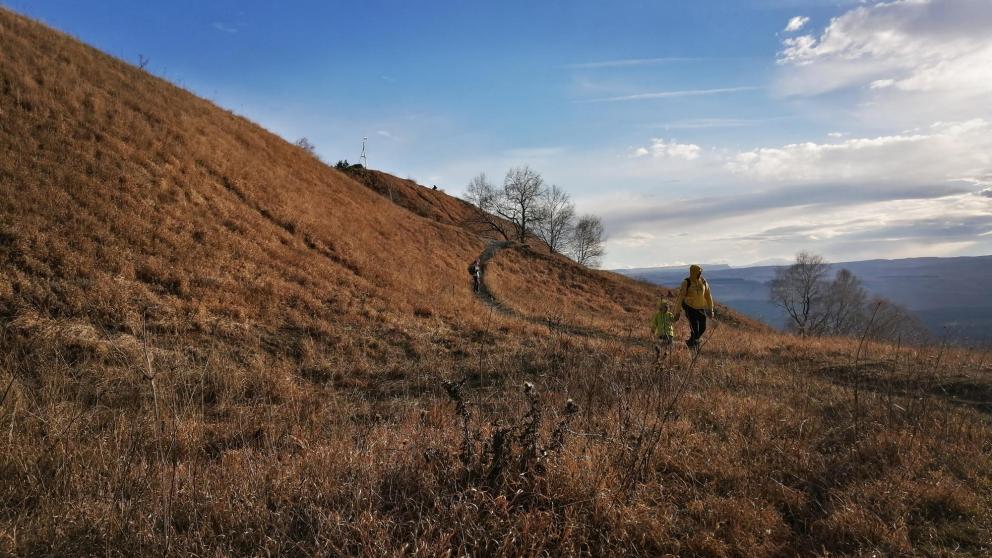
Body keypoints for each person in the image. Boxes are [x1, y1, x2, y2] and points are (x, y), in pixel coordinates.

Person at [673, 264, 714, 349]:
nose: (700, 273)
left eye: (701, 272)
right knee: (695, 327)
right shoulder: (686, 282)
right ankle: (694, 345)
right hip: (690, 307)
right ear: (693, 272)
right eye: (699, 272)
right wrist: (677, 312)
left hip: (701, 307)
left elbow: (708, 295)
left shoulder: (703, 281)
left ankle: (691, 341)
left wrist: (711, 309)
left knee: (703, 327)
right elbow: (680, 298)